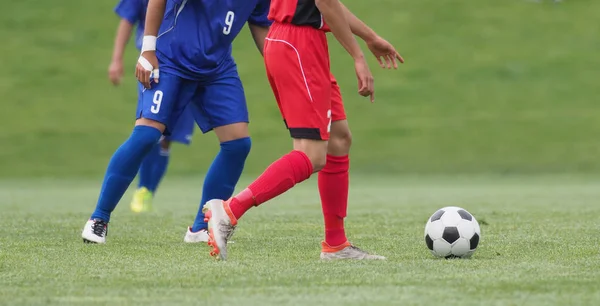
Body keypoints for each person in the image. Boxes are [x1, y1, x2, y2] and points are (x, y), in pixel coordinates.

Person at [203, 0, 404, 260]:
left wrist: (371, 37)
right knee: (312, 154)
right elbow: (325, 3)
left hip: (299, 42)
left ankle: (336, 245)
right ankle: (229, 210)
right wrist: (358, 55)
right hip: (298, 44)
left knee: (339, 140)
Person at [81, 0, 271, 244]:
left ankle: (201, 228)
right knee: (147, 135)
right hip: (171, 59)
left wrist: (281, 68)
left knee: (238, 144)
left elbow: (261, 25)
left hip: (216, 67)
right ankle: (99, 219)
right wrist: (148, 50)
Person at [108, 0, 196, 214]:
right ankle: (139, 191)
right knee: (150, 131)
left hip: (191, 65)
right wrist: (116, 59)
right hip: (155, 65)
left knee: (167, 139)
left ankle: (148, 190)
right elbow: (127, 19)